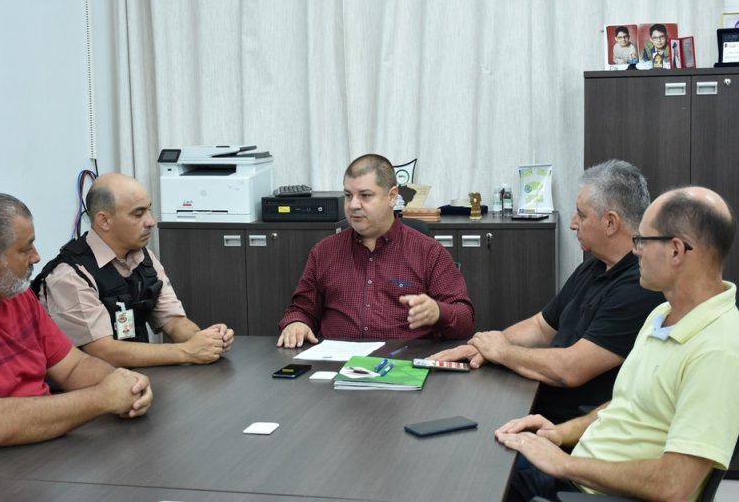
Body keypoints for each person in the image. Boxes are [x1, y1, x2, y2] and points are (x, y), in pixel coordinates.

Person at [495, 186, 739, 502]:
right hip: (580, 475)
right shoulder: (663, 314)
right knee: (484, 459)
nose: (635, 250)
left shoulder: (719, 350)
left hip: (590, 492)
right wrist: (559, 433)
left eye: (643, 240)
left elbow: (675, 486)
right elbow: (627, 404)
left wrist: (565, 464)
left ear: (676, 251)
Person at [431, 160, 665, 424]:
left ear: (610, 222)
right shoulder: (594, 266)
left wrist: (502, 351)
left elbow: (571, 369)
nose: (573, 223)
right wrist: (484, 347)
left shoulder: (640, 286)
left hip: (576, 427)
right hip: (539, 403)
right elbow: (542, 327)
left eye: (582, 215)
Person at [0, 190, 153, 468]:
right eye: (25, 248)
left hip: (40, 455)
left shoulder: (15, 293)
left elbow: (73, 367)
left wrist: (127, 384)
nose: (36, 257)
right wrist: (103, 398)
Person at [32, 173, 234, 368]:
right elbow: (101, 351)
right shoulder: (69, 275)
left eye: (149, 210)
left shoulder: (144, 258)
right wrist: (187, 351)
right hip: (89, 385)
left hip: (136, 377)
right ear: (104, 220)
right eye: (138, 214)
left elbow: (172, 320)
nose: (151, 221)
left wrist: (205, 340)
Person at [277, 154, 474, 348]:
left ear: (392, 196)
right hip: (335, 361)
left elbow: (465, 319)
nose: (353, 205)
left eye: (365, 195)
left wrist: (438, 312)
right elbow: (302, 309)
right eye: (348, 195)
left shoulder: (429, 252)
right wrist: (297, 322)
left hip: (401, 362)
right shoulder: (324, 251)